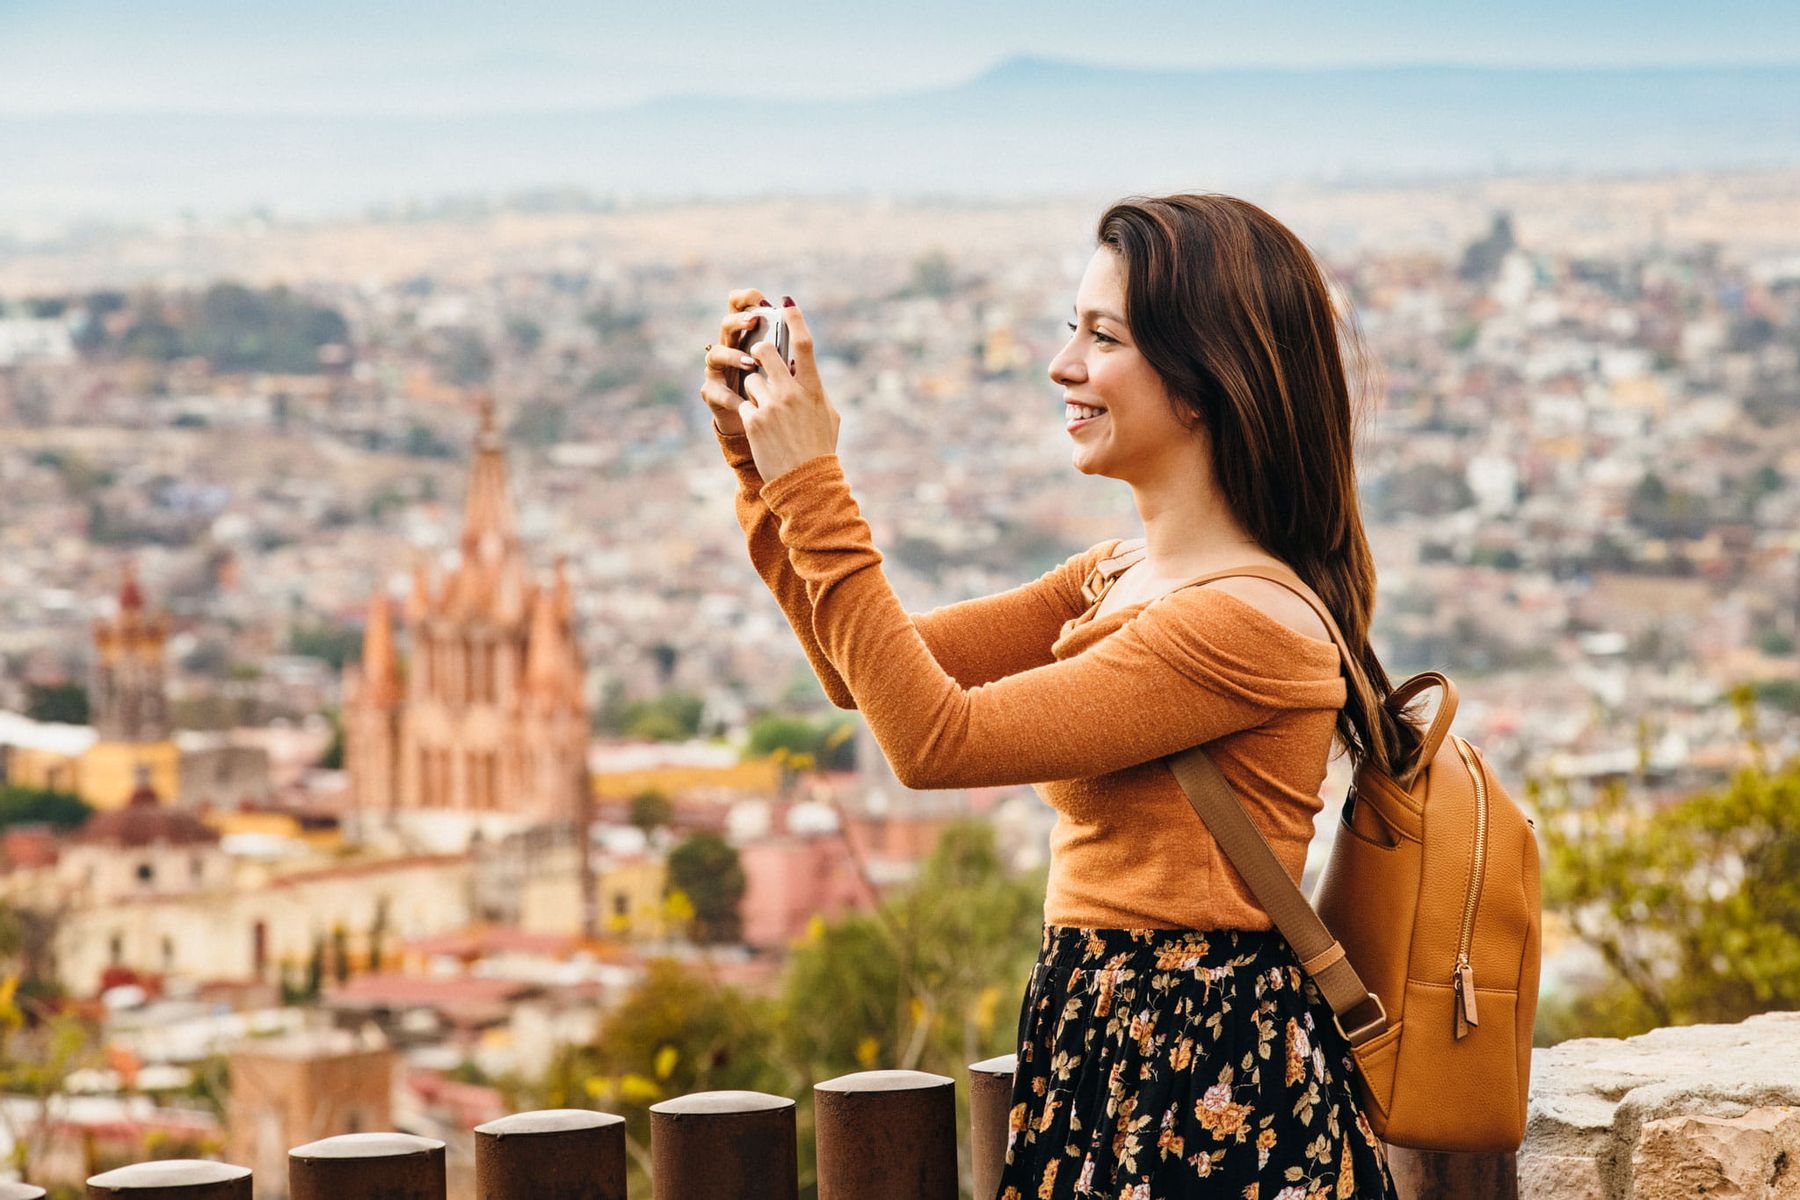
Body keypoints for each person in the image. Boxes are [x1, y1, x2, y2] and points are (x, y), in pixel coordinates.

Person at [698, 193, 1422, 1198]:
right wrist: (761, 470)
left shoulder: (1242, 624)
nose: (1063, 364)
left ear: (1204, 382)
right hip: (1109, 1063)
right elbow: (858, 672)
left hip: (1206, 1091)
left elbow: (935, 742)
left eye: (1103, 336)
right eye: (1070, 327)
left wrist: (814, 478)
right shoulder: (1120, 574)